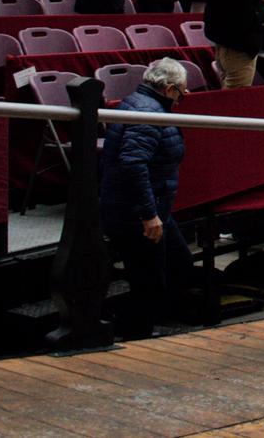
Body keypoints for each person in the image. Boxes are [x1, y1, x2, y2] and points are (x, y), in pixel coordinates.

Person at [100, 58, 191, 338]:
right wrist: (148, 215)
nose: (183, 98)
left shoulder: (143, 103)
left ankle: (143, 324)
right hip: (136, 213)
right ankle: (134, 336)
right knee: (148, 280)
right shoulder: (148, 114)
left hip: (151, 206)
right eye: (182, 92)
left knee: (178, 263)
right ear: (169, 89)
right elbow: (134, 164)